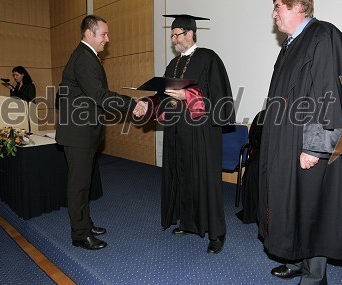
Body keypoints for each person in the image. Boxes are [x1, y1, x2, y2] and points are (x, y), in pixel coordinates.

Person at [257, 0, 342, 284]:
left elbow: (328, 92)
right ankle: (297, 259)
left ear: (297, 7)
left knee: (314, 205)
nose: (274, 14)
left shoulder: (323, 36)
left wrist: (315, 148)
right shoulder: (292, 44)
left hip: (309, 143)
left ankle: (314, 276)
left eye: (278, 7)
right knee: (295, 203)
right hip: (288, 141)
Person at [134, 14, 235, 254]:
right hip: (177, 132)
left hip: (201, 134)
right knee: (183, 177)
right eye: (171, 36)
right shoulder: (173, 64)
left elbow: (221, 101)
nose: (173, 40)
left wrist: (188, 96)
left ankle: (216, 234)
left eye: (176, 34)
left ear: (190, 33)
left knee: (205, 181)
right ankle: (189, 223)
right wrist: (145, 105)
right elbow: (162, 98)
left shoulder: (209, 58)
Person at [55, 15, 136, 251]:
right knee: (78, 185)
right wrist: (132, 104)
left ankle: (85, 224)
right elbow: (100, 95)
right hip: (78, 133)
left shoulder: (88, 56)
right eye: (104, 34)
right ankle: (80, 234)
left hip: (84, 131)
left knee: (84, 182)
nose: (107, 39)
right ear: (89, 34)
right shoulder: (84, 58)